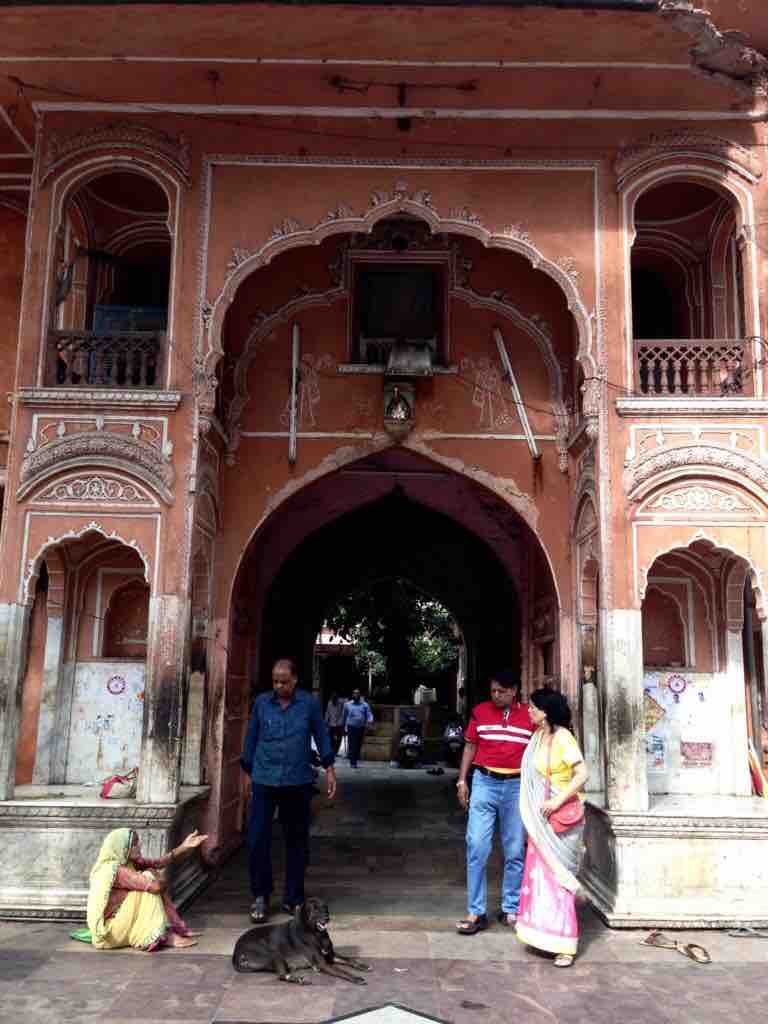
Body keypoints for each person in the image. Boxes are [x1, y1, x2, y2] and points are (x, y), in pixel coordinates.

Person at [240, 657, 336, 924]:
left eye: (284, 681)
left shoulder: (308, 704)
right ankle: (260, 895)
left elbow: (321, 735)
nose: (279, 686)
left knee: (297, 841)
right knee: (258, 837)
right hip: (264, 778)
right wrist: (246, 772)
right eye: (275, 681)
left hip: (297, 781)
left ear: (295, 680)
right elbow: (251, 737)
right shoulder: (261, 703)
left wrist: (329, 769)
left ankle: (293, 896)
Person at [455, 671, 534, 934]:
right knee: (476, 845)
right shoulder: (480, 712)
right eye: (493, 691)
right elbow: (469, 747)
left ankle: (510, 907)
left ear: (514, 691)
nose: (495, 696)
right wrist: (462, 780)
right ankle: (475, 911)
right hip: (484, 782)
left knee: (514, 850)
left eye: (501, 691)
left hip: (516, 786)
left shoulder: (530, 716)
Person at [516, 687, 588, 968]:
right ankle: (542, 935)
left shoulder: (563, 738)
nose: (529, 711)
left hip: (560, 819)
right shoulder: (538, 736)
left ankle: (565, 944)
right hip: (541, 819)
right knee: (540, 879)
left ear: (545, 712)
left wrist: (557, 799)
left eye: (533, 707)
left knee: (559, 880)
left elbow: (582, 773)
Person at [84, 827, 207, 951]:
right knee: (149, 878)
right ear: (123, 848)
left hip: (117, 928)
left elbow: (158, 863)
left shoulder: (127, 862)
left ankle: (161, 931)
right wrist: (160, 880)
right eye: (134, 844)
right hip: (110, 934)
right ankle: (154, 937)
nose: (139, 845)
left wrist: (183, 847)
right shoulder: (117, 871)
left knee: (149, 874)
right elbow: (156, 887)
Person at [342, 688, 374, 768]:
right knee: (352, 744)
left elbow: (369, 714)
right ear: (352, 695)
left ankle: (355, 758)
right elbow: (344, 716)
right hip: (351, 727)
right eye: (354, 693)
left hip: (361, 727)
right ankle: (353, 762)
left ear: (360, 695)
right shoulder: (348, 704)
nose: (356, 695)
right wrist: (342, 726)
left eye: (358, 693)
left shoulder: (364, 705)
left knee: (358, 744)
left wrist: (370, 721)